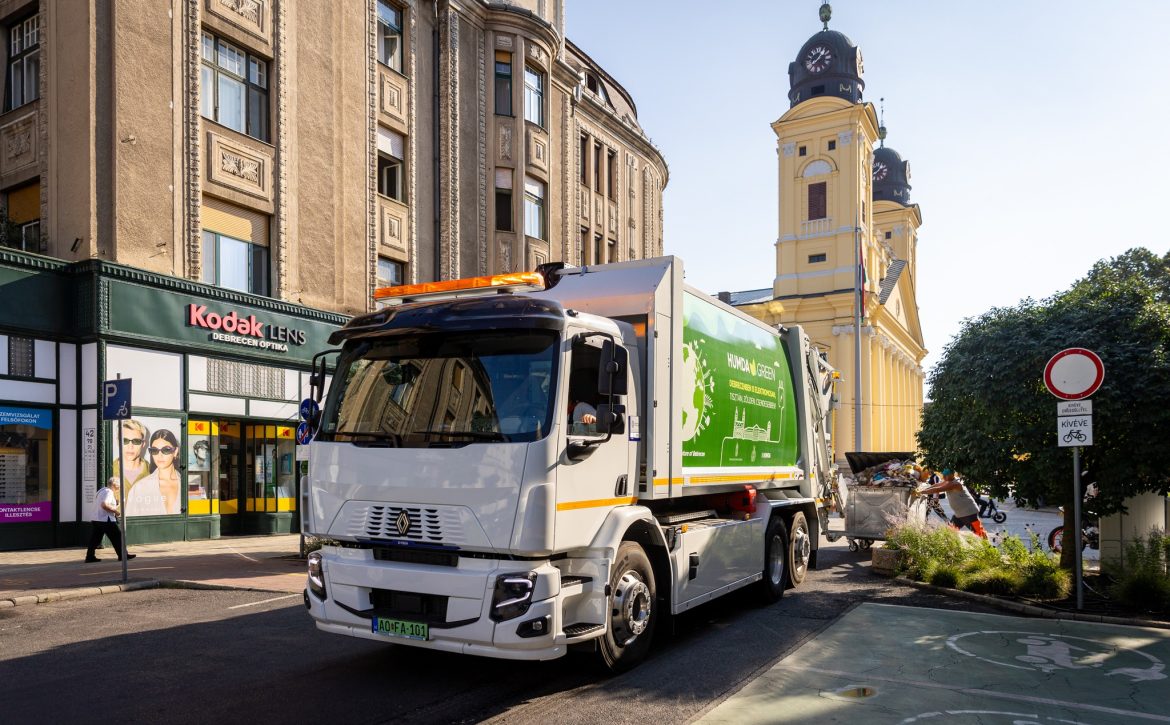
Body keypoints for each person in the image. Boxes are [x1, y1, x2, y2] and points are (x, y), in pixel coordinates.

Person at [915, 468, 986, 538]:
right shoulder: (948, 481)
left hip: (969, 513)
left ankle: (989, 548)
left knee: (980, 533)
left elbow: (938, 489)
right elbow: (936, 485)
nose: (943, 477)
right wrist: (923, 489)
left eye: (945, 476)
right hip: (959, 514)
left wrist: (920, 492)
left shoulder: (955, 483)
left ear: (951, 475)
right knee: (950, 533)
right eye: (943, 475)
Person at [128, 429, 182, 516]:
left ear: (175, 451)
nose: (159, 456)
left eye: (166, 450)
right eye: (154, 450)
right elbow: (130, 526)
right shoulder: (139, 489)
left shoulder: (187, 485)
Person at [85, 477, 135, 562]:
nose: (119, 488)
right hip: (105, 520)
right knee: (118, 537)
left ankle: (90, 557)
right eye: (119, 486)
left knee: (95, 539)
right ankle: (123, 555)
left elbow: (103, 504)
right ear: (114, 485)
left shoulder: (101, 490)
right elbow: (104, 505)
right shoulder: (108, 492)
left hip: (97, 519)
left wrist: (116, 504)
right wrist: (116, 511)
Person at [112, 419, 152, 491]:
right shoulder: (107, 471)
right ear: (118, 442)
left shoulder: (153, 472)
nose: (130, 446)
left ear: (143, 444)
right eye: (125, 440)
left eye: (136, 441)